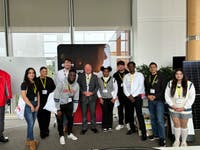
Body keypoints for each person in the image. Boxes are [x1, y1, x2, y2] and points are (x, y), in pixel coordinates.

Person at [165, 68, 196, 147]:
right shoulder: (170, 83)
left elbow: (192, 97)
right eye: (177, 74)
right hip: (173, 108)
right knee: (176, 124)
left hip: (185, 109)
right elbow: (167, 96)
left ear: (183, 75)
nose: (178, 75)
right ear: (175, 75)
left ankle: (184, 141)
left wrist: (184, 107)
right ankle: (177, 141)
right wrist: (172, 105)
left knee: (184, 125)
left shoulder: (190, 84)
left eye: (180, 74)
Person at [54, 68, 79, 145]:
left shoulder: (76, 85)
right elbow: (56, 97)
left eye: (74, 76)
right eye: (71, 75)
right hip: (60, 104)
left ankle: (69, 134)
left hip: (69, 104)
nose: (72, 77)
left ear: (75, 77)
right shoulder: (61, 83)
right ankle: (61, 136)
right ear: (68, 75)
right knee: (60, 121)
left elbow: (76, 98)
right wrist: (58, 109)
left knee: (70, 119)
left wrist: (74, 110)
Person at [123, 61, 147, 141]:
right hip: (129, 98)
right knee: (130, 114)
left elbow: (140, 86)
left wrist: (133, 96)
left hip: (137, 98)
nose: (130, 68)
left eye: (132, 66)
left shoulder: (140, 75)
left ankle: (144, 133)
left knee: (139, 114)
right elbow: (124, 87)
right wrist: (129, 95)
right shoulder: (126, 76)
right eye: (129, 66)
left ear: (134, 66)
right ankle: (132, 129)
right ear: (128, 67)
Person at [145, 62, 166, 146]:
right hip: (150, 101)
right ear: (149, 69)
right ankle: (156, 134)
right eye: (151, 67)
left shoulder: (161, 77)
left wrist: (155, 96)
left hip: (159, 101)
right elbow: (146, 88)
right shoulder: (147, 77)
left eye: (154, 67)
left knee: (160, 120)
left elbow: (163, 90)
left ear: (156, 68)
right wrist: (148, 95)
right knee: (153, 118)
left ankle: (162, 138)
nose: (152, 68)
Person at [21, 68, 40, 150]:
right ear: (27, 74)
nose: (32, 74)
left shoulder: (36, 83)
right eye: (29, 73)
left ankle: (28, 140)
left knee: (31, 124)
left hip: (36, 104)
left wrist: (38, 105)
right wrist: (31, 106)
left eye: (33, 73)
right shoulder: (24, 84)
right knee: (31, 123)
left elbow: (38, 94)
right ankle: (32, 142)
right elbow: (24, 96)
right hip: (28, 104)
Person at [78, 64, 99, 135]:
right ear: (84, 69)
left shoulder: (95, 77)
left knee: (93, 113)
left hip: (92, 98)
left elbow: (97, 87)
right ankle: (84, 128)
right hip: (83, 98)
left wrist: (92, 93)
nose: (88, 69)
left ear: (91, 68)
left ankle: (93, 127)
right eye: (86, 68)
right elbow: (78, 86)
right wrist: (83, 92)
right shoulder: (80, 76)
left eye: (89, 68)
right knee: (84, 114)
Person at [113, 60, 132, 133]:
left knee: (128, 110)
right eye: (119, 66)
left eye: (122, 65)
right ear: (117, 67)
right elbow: (114, 87)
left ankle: (127, 123)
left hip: (127, 95)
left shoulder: (128, 73)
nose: (120, 67)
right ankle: (120, 123)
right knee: (120, 110)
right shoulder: (115, 75)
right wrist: (115, 95)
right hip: (119, 95)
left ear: (124, 66)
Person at [36, 66, 56, 139]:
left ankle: (46, 130)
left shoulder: (50, 79)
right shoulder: (36, 80)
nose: (45, 72)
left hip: (48, 102)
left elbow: (54, 88)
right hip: (39, 102)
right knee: (40, 117)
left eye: (46, 71)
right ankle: (42, 131)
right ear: (40, 72)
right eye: (43, 71)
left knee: (47, 117)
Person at [97, 66, 118, 132]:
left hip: (111, 98)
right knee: (104, 112)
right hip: (103, 98)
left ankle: (109, 126)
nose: (106, 73)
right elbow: (98, 89)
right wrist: (100, 98)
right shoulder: (99, 79)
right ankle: (104, 126)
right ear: (102, 72)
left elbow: (116, 88)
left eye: (107, 72)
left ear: (109, 72)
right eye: (104, 71)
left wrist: (114, 98)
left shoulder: (113, 79)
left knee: (110, 112)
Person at [0, 69, 12, 143]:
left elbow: (8, 87)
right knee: (0, 119)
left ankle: (0, 136)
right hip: (1, 101)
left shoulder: (5, 74)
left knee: (0, 119)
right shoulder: (4, 74)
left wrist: (9, 97)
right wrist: (9, 97)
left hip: (0, 101)